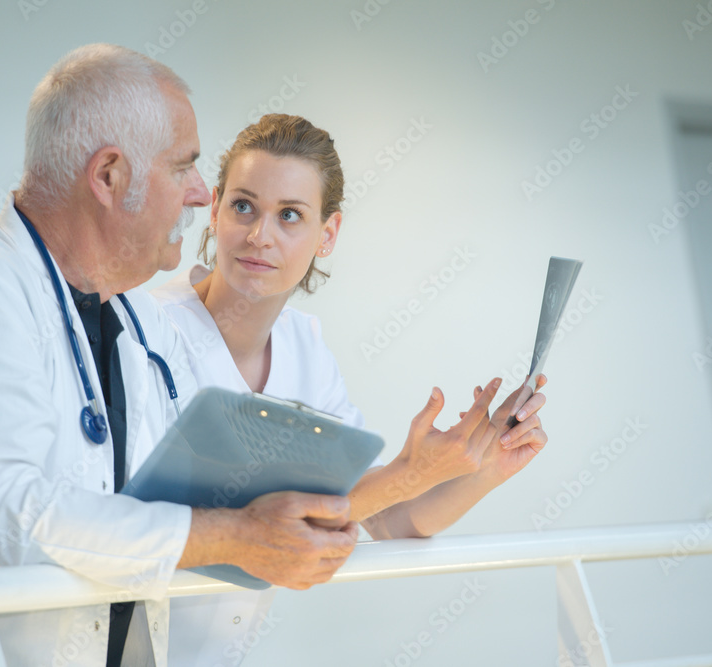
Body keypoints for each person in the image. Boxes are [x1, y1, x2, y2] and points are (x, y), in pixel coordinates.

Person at [0, 47, 412, 667]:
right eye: (184, 169)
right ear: (109, 177)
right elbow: (5, 518)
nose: (202, 195)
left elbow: (142, 515)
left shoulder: (130, 318)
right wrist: (237, 536)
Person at [151, 114, 549, 666]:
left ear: (328, 234)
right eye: (244, 206)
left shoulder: (306, 349)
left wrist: (481, 467)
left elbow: (387, 518)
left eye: (290, 215)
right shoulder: (144, 331)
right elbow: (280, 521)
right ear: (215, 210)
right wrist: (410, 472)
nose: (260, 235)